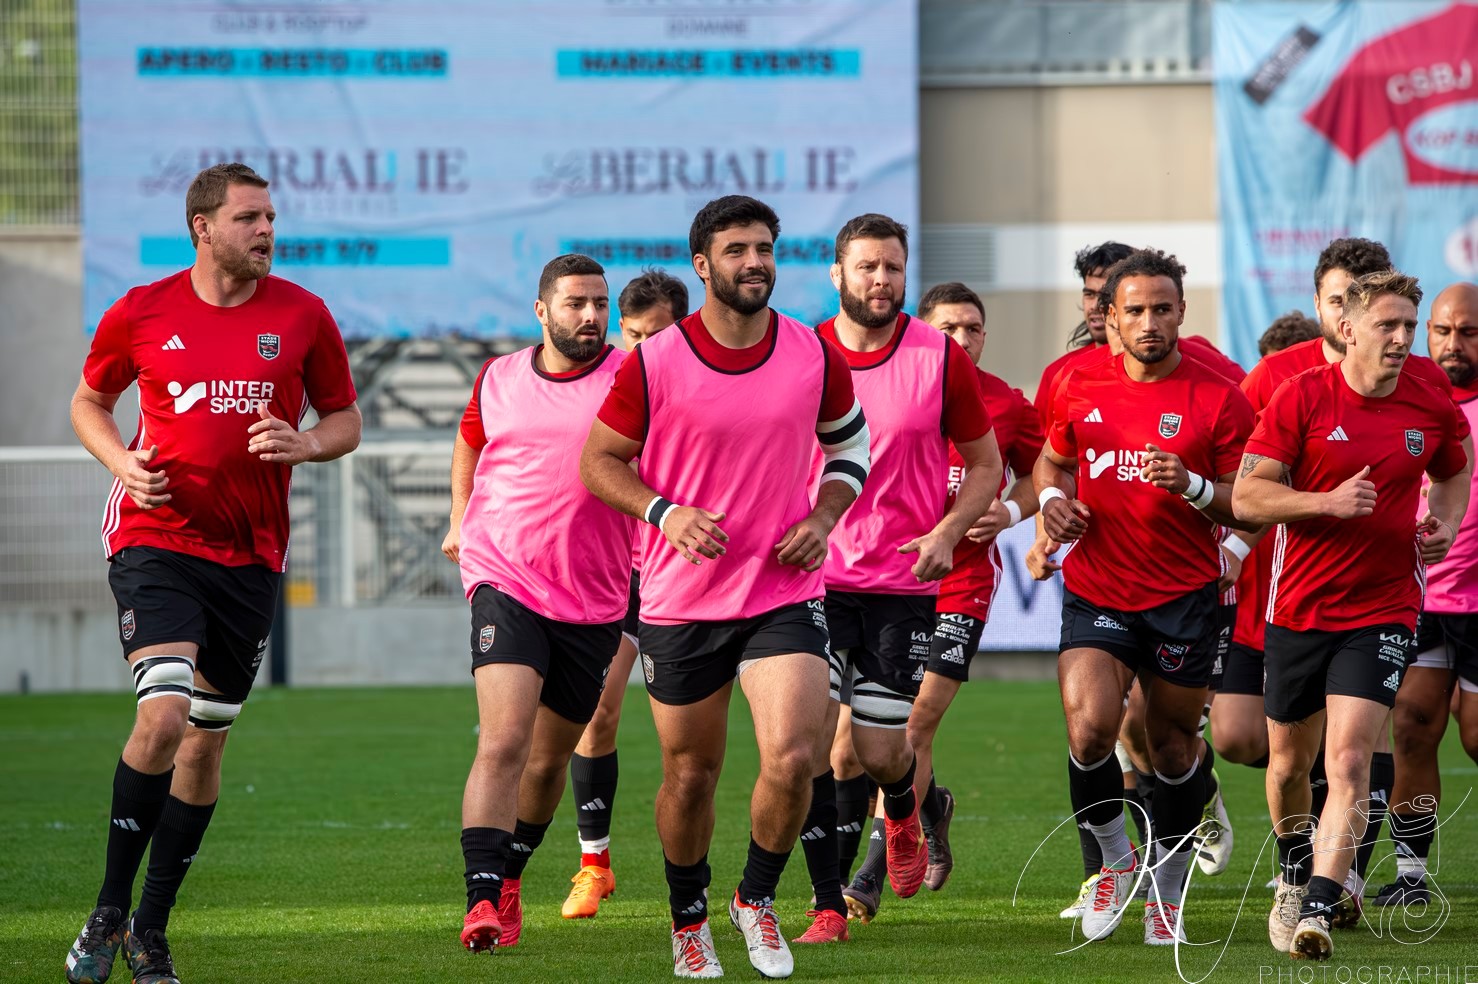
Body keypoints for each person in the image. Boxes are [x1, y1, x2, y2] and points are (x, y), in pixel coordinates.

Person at [64, 162, 361, 984]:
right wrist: (123, 460)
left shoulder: (303, 315)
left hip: (251, 555)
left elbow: (345, 418)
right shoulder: (143, 309)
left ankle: (150, 931)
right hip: (156, 539)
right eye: (250, 218)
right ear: (203, 228)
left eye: (271, 218)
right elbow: (89, 402)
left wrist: (307, 442)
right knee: (163, 716)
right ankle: (108, 911)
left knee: (203, 745)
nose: (267, 231)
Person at [580, 195, 870, 979]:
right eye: (737, 249)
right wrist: (663, 512)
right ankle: (688, 918)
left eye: (766, 248)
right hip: (681, 600)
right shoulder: (655, 360)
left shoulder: (812, 352)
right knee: (690, 774)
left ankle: (756, 899)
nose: (756, 262)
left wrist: (825, 515)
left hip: (782, 591)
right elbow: (599, 462)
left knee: (795, 753)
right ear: (703, 266)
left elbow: (851, 447)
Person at [1233, 269, 1470, 962]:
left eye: (1407, 326)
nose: (1400, 340)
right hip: (1299, 608)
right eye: (1386, 326)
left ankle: (1317, 905)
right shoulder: (1300, 396)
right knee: (1286, 766)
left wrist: (1447, 522)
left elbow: (1455, 466)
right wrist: (1324, 503)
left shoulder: (1430, 395)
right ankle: (1290, 871)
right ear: (1349, 329)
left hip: (1386, 608)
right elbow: (1248, 497)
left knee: (1350, 758)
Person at [1034, 249, 1255, 947]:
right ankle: (1113, 859)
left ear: (1182, 312)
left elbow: (1248, 501)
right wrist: (1049, 504)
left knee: (1172, 749)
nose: (1150, 322)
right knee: (1090, 727)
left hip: (1184, 597)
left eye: (1163, 309)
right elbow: (1053, 460)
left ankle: (1168, 876)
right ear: (1109, 317)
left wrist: (1191, 486)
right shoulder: (1077, 385)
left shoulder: (1219, 396)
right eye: (1135, 310)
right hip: (1098, 588)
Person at [794, 221, 1002, 940]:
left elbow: (985, 464)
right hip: (813, 582)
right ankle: (827, 904)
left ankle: (908, 811)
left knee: (883, 751)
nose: (880, 279)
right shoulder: (802, 353)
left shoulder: (939, 357)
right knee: (809, 745)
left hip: (901, 582)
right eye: (866, 267)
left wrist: (947, 533)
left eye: (892, 267)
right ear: (837, 274)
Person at [445, 254, 637, 953]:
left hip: (594, 597)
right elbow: (469, 442)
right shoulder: (498, 378)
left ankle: (514, 875)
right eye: (576, 303)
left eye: (600, 303)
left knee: (549, 762)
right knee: (502, 742)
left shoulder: (634, 379)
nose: (591, 315)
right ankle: (480, 899)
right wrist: (462, 517)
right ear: (541, 312)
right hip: (506, 580)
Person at [561, 268, 689, 922]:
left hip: (693, 572)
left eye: (656, 334)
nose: (641, 347)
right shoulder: (607, 384)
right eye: (632, 334)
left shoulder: (706, 383)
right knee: (598, 711)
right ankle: (594, 864)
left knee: (698, 744)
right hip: (618, 572)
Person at [1376, 282, 1478, 907]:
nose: (1451, 344)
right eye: (1441, 331)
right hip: (1416, 595)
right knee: (1411, 728)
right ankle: (1411, 877)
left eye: (1468, 332)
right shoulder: (1406, 397)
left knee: (1475, 737)